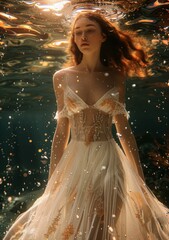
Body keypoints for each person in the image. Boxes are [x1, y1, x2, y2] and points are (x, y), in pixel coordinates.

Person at [3, 11, 169, 240]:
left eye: (89, 30)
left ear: (103, 36)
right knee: (75, 231)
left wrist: (140, 181)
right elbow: (62, 131)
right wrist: (53, 182)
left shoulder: (116, 76)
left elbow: (124, 131)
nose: (82, 36)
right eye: (77, 32)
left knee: (101, 231)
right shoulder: (61, 77)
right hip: (74, 162)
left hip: (110, 163)